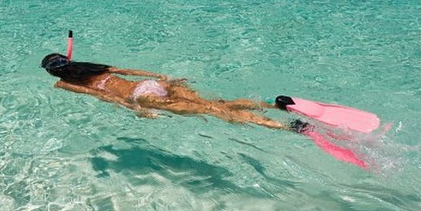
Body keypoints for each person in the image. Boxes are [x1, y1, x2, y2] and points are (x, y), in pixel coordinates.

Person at [40, 53, 289, 130]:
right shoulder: (92, 67)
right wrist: (161, 77)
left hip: (143, 96)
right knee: (216, 102)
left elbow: (105, 96)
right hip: (152, 86)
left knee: (212, 110)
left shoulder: (65, 83)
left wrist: (136, 109)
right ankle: (272, 104)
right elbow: (128, 71)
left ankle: (284, 126)